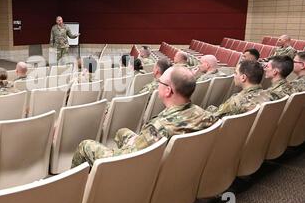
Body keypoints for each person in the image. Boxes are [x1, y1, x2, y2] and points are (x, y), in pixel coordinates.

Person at [71, 66, 217, 167]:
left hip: (135, 166)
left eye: (159, 82)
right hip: (177, 163)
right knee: (122, 131)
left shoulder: (158, 128)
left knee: (85, 145)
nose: (157, 84)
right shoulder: (205, 115)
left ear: (168, 91)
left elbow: (121, 160)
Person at [207, 60, 272, 119]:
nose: (234, 75)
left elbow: (213, 118)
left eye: (235, 73)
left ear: (243, 77)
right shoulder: (269, 95)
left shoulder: (236, 101)